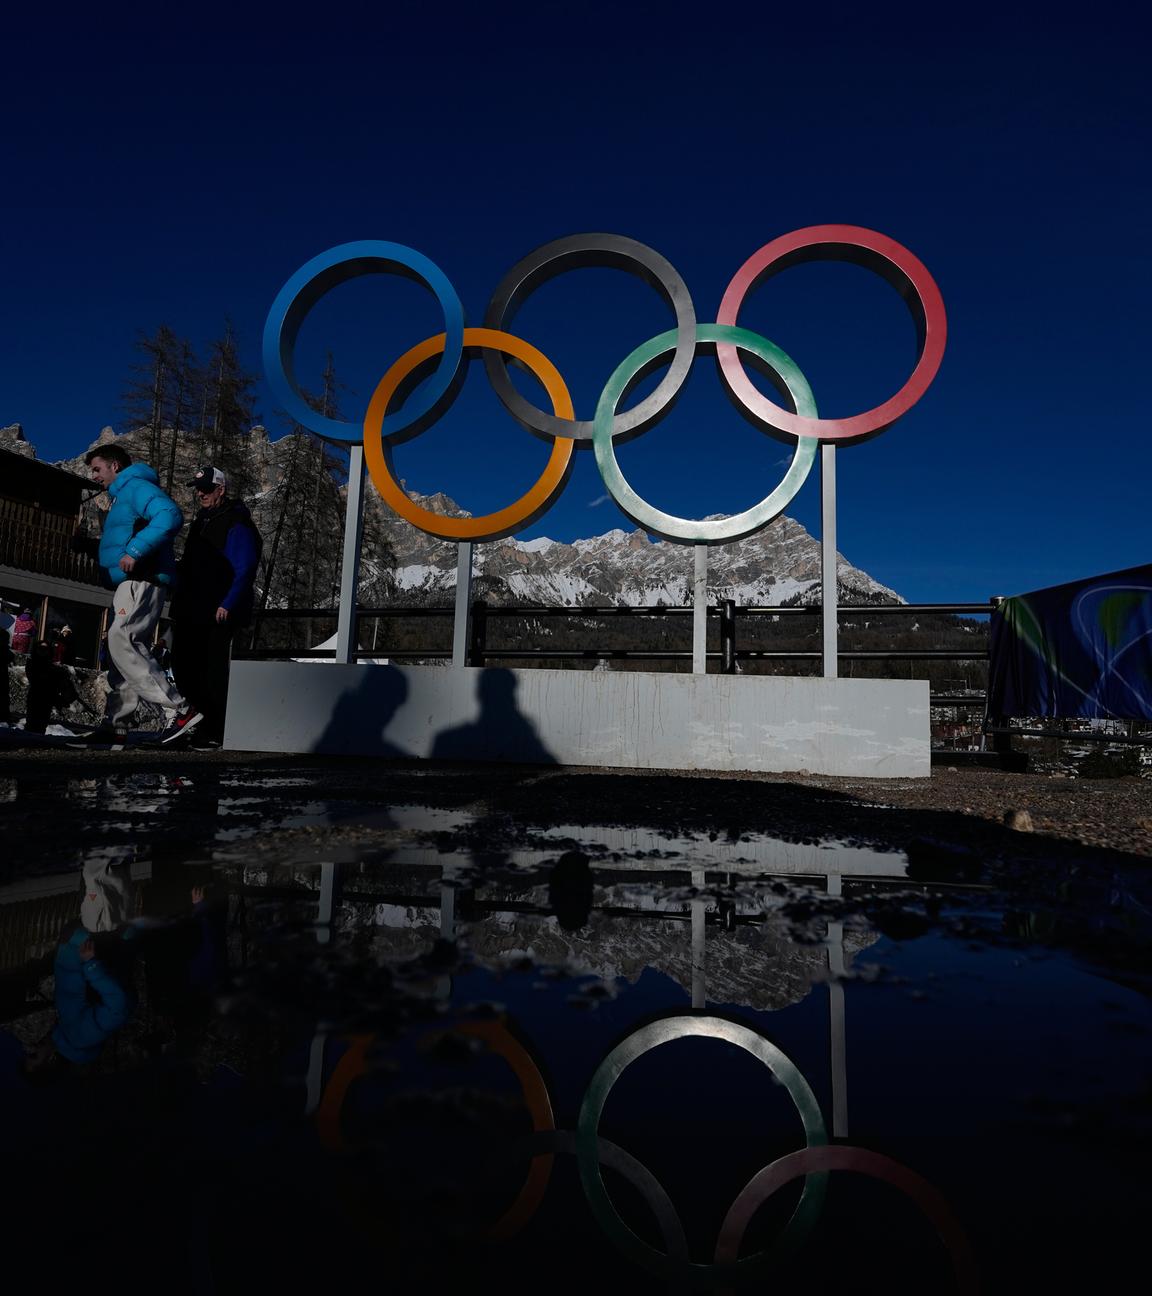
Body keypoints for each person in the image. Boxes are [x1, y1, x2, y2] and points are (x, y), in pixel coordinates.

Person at [74, 444, 203, 745]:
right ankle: (116, 723)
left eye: (97, 469)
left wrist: (135, 550)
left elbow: (169, 515)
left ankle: (180, 709)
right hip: (128, 582)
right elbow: (129, 535)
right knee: (122, 653)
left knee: (123, 640)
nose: (94, 476)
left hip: (141, 579)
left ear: (115, 466)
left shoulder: (135, 487)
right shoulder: (123, 496)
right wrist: (90, 547)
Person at [170, 465, 262, 747]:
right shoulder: (202, 521)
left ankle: (215, 728)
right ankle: (199, 721)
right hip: (193, 607)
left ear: (221, 490)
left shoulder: (235, 521)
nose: (201, 494)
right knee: (184, 664)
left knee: (212, 669)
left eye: (207, 489)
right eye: (198, 489)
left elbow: (245, 567)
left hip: (217, 610)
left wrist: (228, 603)